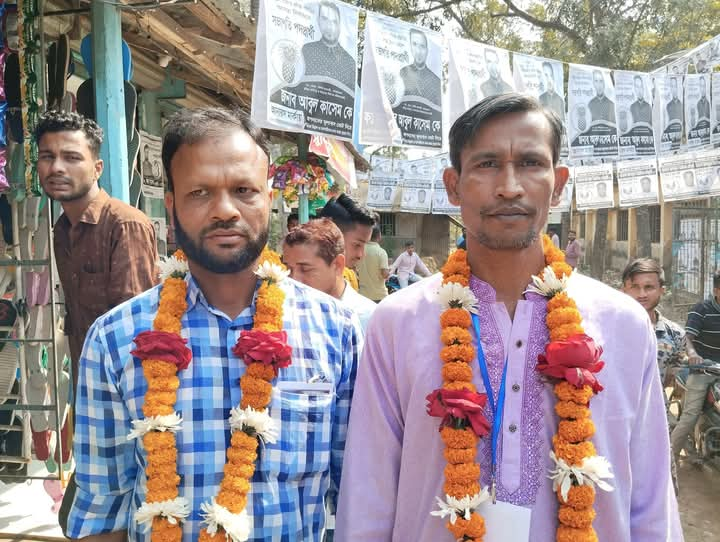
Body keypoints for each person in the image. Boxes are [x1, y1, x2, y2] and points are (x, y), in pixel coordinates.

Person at [335, 93, 681, 541]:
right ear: (453, 184)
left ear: (557, 184)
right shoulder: (397, 322)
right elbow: (369, 492)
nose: (509, 186)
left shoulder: (624, 325)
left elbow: (651, 500)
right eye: (486, 164)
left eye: (531, 163)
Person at [64, 107, 362, 540]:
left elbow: (355, 497)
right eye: (200, 192)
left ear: (269, 197)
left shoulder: (336, 331)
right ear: (171, 203)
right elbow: (102, 514)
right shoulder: (115, 339)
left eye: (244, 190)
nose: (225, 210)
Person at [36, 110, 158, 396]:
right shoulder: (63, 229)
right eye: (47, 156)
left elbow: (136, 325)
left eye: (72, 157)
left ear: (98, 168)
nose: (56, 168)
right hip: (88, 384)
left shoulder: (124, 224)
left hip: (129, 391)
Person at [620, 258, 684, 494]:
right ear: (623, 289)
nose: (641, 294)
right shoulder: (606, 330)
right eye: (634, 287)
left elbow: (669, 380)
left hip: (656, 423)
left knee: (661, 491)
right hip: (615, 422)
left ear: (662, 290)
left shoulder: (675, 335)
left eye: (649, 287)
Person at [284, 218, 376, 331]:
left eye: (305, 269)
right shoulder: (286, 313)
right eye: (288, 269)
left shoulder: (369, 318)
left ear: (338, 265)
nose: (293, 280)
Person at [671, 272, 720, 462]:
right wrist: (693, 354)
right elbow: (687, 338)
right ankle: (669, 463)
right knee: (690, 416)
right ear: (716, 291)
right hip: (704, 369)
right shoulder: (701, 309)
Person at [317, 193, 376, 291]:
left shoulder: (349, 277)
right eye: (357, 245)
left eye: (364, 245)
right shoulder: (286, 276)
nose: (361, 255)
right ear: (329, 234)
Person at [301, 1, 356, 91]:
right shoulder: (307, 51)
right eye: (325, 19)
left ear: (339, 25)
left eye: (334, 22)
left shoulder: (350, 63)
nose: (329, 27)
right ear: (318, 21)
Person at [399, 29, 441, 105]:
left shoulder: (436, 82)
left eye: (422, 46)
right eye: (414, 44)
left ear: (427, 50)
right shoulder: (403, 72)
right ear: (410, 47)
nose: (418, 51)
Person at [357, 225, 390, 303]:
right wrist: (388, 272)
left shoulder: (360, 250)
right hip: (379, 295)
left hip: (363, 294)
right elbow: (385, 274)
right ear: (379, 236)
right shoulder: (381, 252)